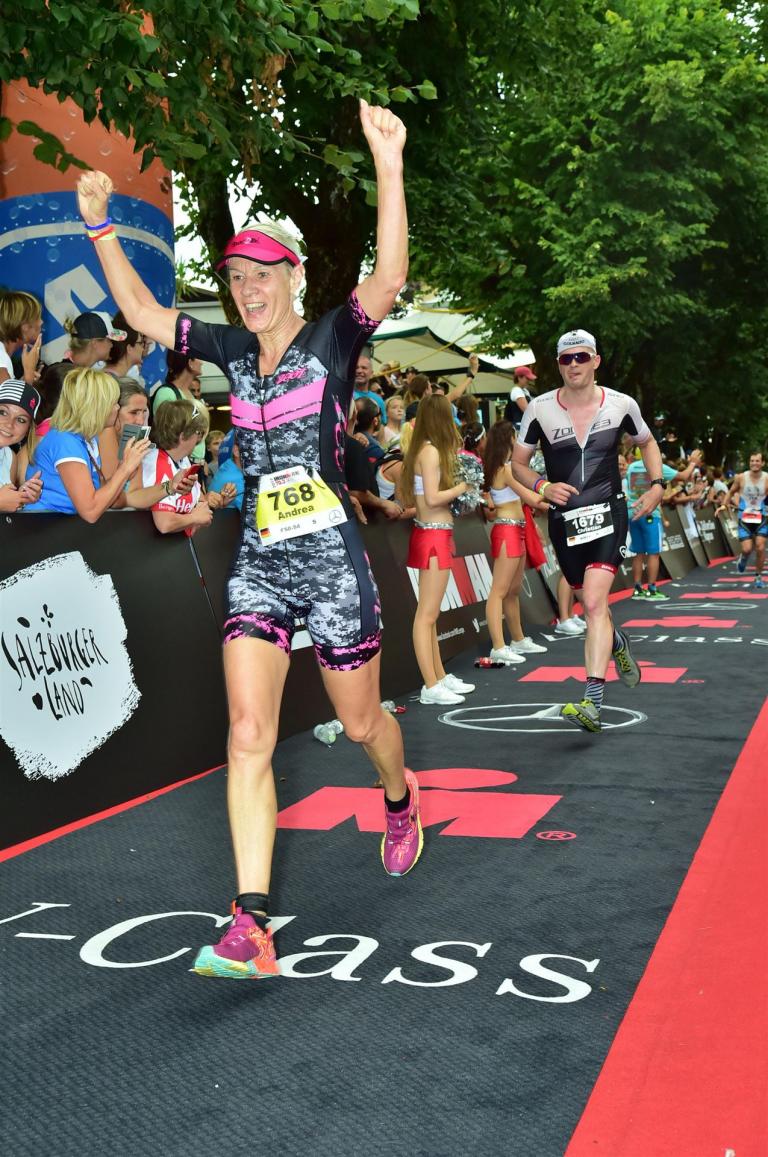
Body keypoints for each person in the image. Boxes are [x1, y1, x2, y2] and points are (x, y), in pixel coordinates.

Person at [75, 99, 419, 981]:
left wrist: (388, 163)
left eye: (262, 273)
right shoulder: (228, 347)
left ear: (292, 278)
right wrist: (100, 227)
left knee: (361, 721)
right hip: (262, 561)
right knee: (247, 731)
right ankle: (252, 921)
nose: (247, 288)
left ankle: (398, 792)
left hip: (332, 560)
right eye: (235, 276)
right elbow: (140, 307)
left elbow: (389, 273)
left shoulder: (333, 337)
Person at [512, 328, 663, 733]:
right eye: (566, 359)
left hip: (609, 514)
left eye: (581, 357)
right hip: (565, 522)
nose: (574, 365)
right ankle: (617, 643)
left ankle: (592, 703)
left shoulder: (621, 403)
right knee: (591, 605)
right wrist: (542, 486)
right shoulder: (539, 408)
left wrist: (657, 485)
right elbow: (517, 464)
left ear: (595, 361)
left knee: (594, 604)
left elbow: (648, 442)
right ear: (558, 365)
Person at [400, 394, 473, 705]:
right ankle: (430, 685)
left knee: (430, 614)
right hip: (431, 536)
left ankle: (439, 676)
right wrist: (463, 487)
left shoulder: (426, 450)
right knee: (426, 615)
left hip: (435, 535)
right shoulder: (429, 452)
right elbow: (431, 499)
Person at [22, 367, 163, 519]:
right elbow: (90, 511)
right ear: (96, 406)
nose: (117, 408)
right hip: (41, 527)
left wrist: (128, 469)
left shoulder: (87, 439)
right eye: (113, 403)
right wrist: (125, 468)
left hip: (63, 527)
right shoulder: (65, 441)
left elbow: (107, 497)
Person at [482, 421, 550, 663]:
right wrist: (556, 499)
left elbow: (530, 500)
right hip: (507, 531)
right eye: (515, 435)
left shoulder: (505, 468)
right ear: (509, 439)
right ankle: (498, 646)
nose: (519, 438)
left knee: (512, 590)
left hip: (516, 530)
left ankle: (518, 639)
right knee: (499, 591)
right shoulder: (506, 469)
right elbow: (531, 498)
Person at [135, 398, 231, 533]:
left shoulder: (183, 460)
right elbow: (165, 524)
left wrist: (216, 501)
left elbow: (200, 506)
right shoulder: (157, 462)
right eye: (198, 433)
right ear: (183, 435)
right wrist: (194, 518)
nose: (199, 439)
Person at [625, 449, 702, 599]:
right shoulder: (658, 467)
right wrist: (693, 463)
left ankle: (637, 589)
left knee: (638, 553)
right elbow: (683, 476)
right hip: (650, 514)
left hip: (633, 513)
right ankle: (652, 589)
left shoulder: (631, 467)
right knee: (653, 553)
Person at [718, 451, 768, 588]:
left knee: (760, 547)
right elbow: (730, 492)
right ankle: (744, 558)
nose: (754, 463)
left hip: (761, 517)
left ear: (762, 463)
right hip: (744, 517)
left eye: (757, 461)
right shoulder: (741, 477)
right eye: (752, 461)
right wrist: (724, 505)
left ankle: (758, 577)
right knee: (747, 549)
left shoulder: (766, 478)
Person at [0, 378, 43, 512]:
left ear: (28, 430)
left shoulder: (9, 458)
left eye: (21, 420)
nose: (9, 424)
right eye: (3, 412)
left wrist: (21, 497)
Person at [0, 290, 43, 386]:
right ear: (25, 326)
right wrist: (28, 376)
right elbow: (7, 396)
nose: (41, 322)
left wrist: (22, 382)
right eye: (38, 317)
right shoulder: (2, 361)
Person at [353, 351, 387, 422]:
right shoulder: (344, 395)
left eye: (364, 368)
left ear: (371, 374)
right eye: (356, 367)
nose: (359, 371)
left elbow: (382, 425)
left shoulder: (378, 400)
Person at [504, 365, 536, 429]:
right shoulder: (516, 391)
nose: (529, 381)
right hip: (518, 426)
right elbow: (527, 411)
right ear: (519, 378)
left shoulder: (525, 391)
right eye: (527, 378)